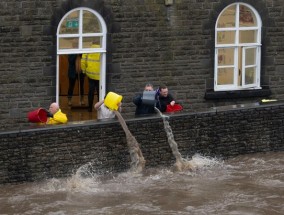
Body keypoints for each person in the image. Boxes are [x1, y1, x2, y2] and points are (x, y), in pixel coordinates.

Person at [81, 43, 101, 112]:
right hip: (100, 75)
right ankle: (100, 108)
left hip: (90, 75)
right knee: (100, 92)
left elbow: (83, 61)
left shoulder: (87, 48)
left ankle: (90, 108)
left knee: (91, 91)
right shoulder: (101, 47)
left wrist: (83, 71)